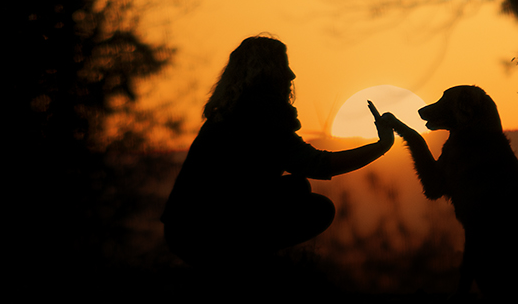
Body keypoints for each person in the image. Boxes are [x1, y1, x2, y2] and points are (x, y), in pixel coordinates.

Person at [161, 35, 394, 274]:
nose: (291, 76)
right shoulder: (259, 116)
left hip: (181, 230)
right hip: (204, 234)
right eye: (284, 66)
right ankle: (241, 266)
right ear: (269, 72)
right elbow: (317, 164)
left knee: (295, 187)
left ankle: (243, 264)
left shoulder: (233, 112)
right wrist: (380, 147)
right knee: (318, 209)